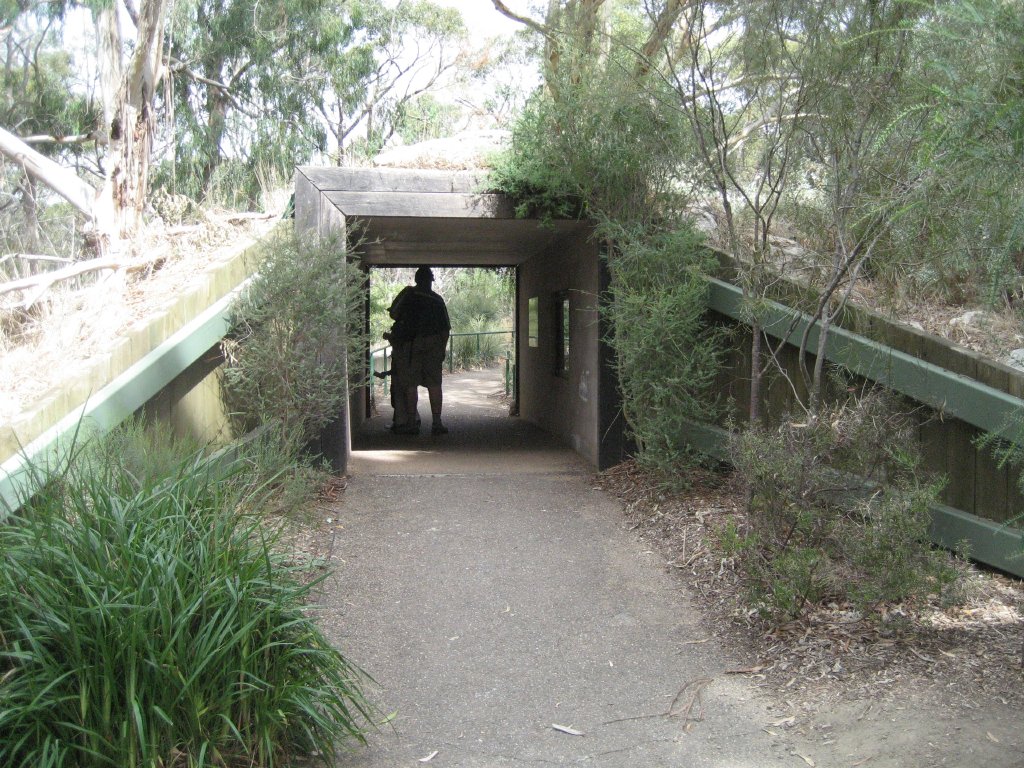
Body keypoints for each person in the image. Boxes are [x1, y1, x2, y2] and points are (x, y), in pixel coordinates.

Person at [387, 266, 451, 435]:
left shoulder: (408, 294)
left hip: (411, 345)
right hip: (433, 344)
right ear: (431, 281)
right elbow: (445, 329)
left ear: (416, 279)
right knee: (435, 384)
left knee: (410, 384)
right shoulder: (438, 300)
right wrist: (441, 349)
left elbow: (393, 314)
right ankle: (437, 423)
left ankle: (411, 423)